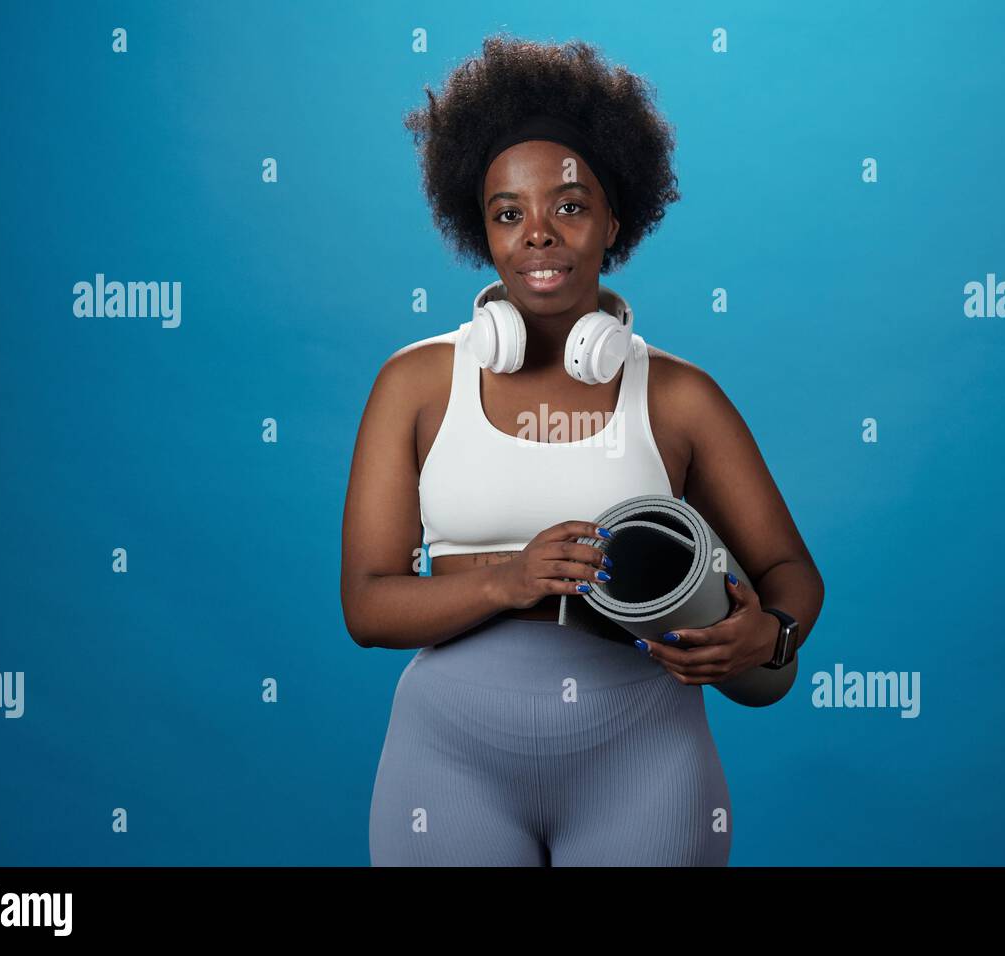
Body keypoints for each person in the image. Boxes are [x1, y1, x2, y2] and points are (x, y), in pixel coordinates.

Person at [341, 34, 825, 866]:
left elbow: (791, 573)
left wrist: (769, 638)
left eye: (566, 205)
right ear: (480, 230)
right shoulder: (416, 384)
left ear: (614, 218)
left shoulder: (679, 396)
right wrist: (508, 577)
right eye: (507, 213)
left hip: (643, 756)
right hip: (450, 756)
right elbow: (367, 607)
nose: (536, 234)